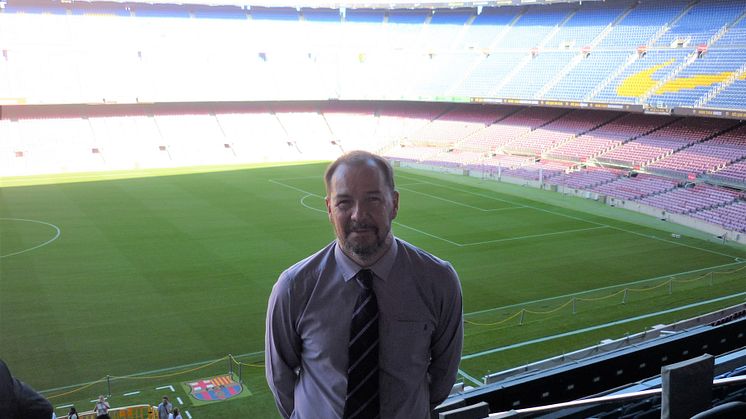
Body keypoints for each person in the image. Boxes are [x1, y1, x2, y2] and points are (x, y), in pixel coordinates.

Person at [266, 150, 464, 419]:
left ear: (394, 203)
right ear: (328, 208)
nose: (359, 215)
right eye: (344, 202)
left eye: (373, 200)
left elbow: (443, 377)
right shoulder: (293, 288)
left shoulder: (438, 281)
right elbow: (280, 378)